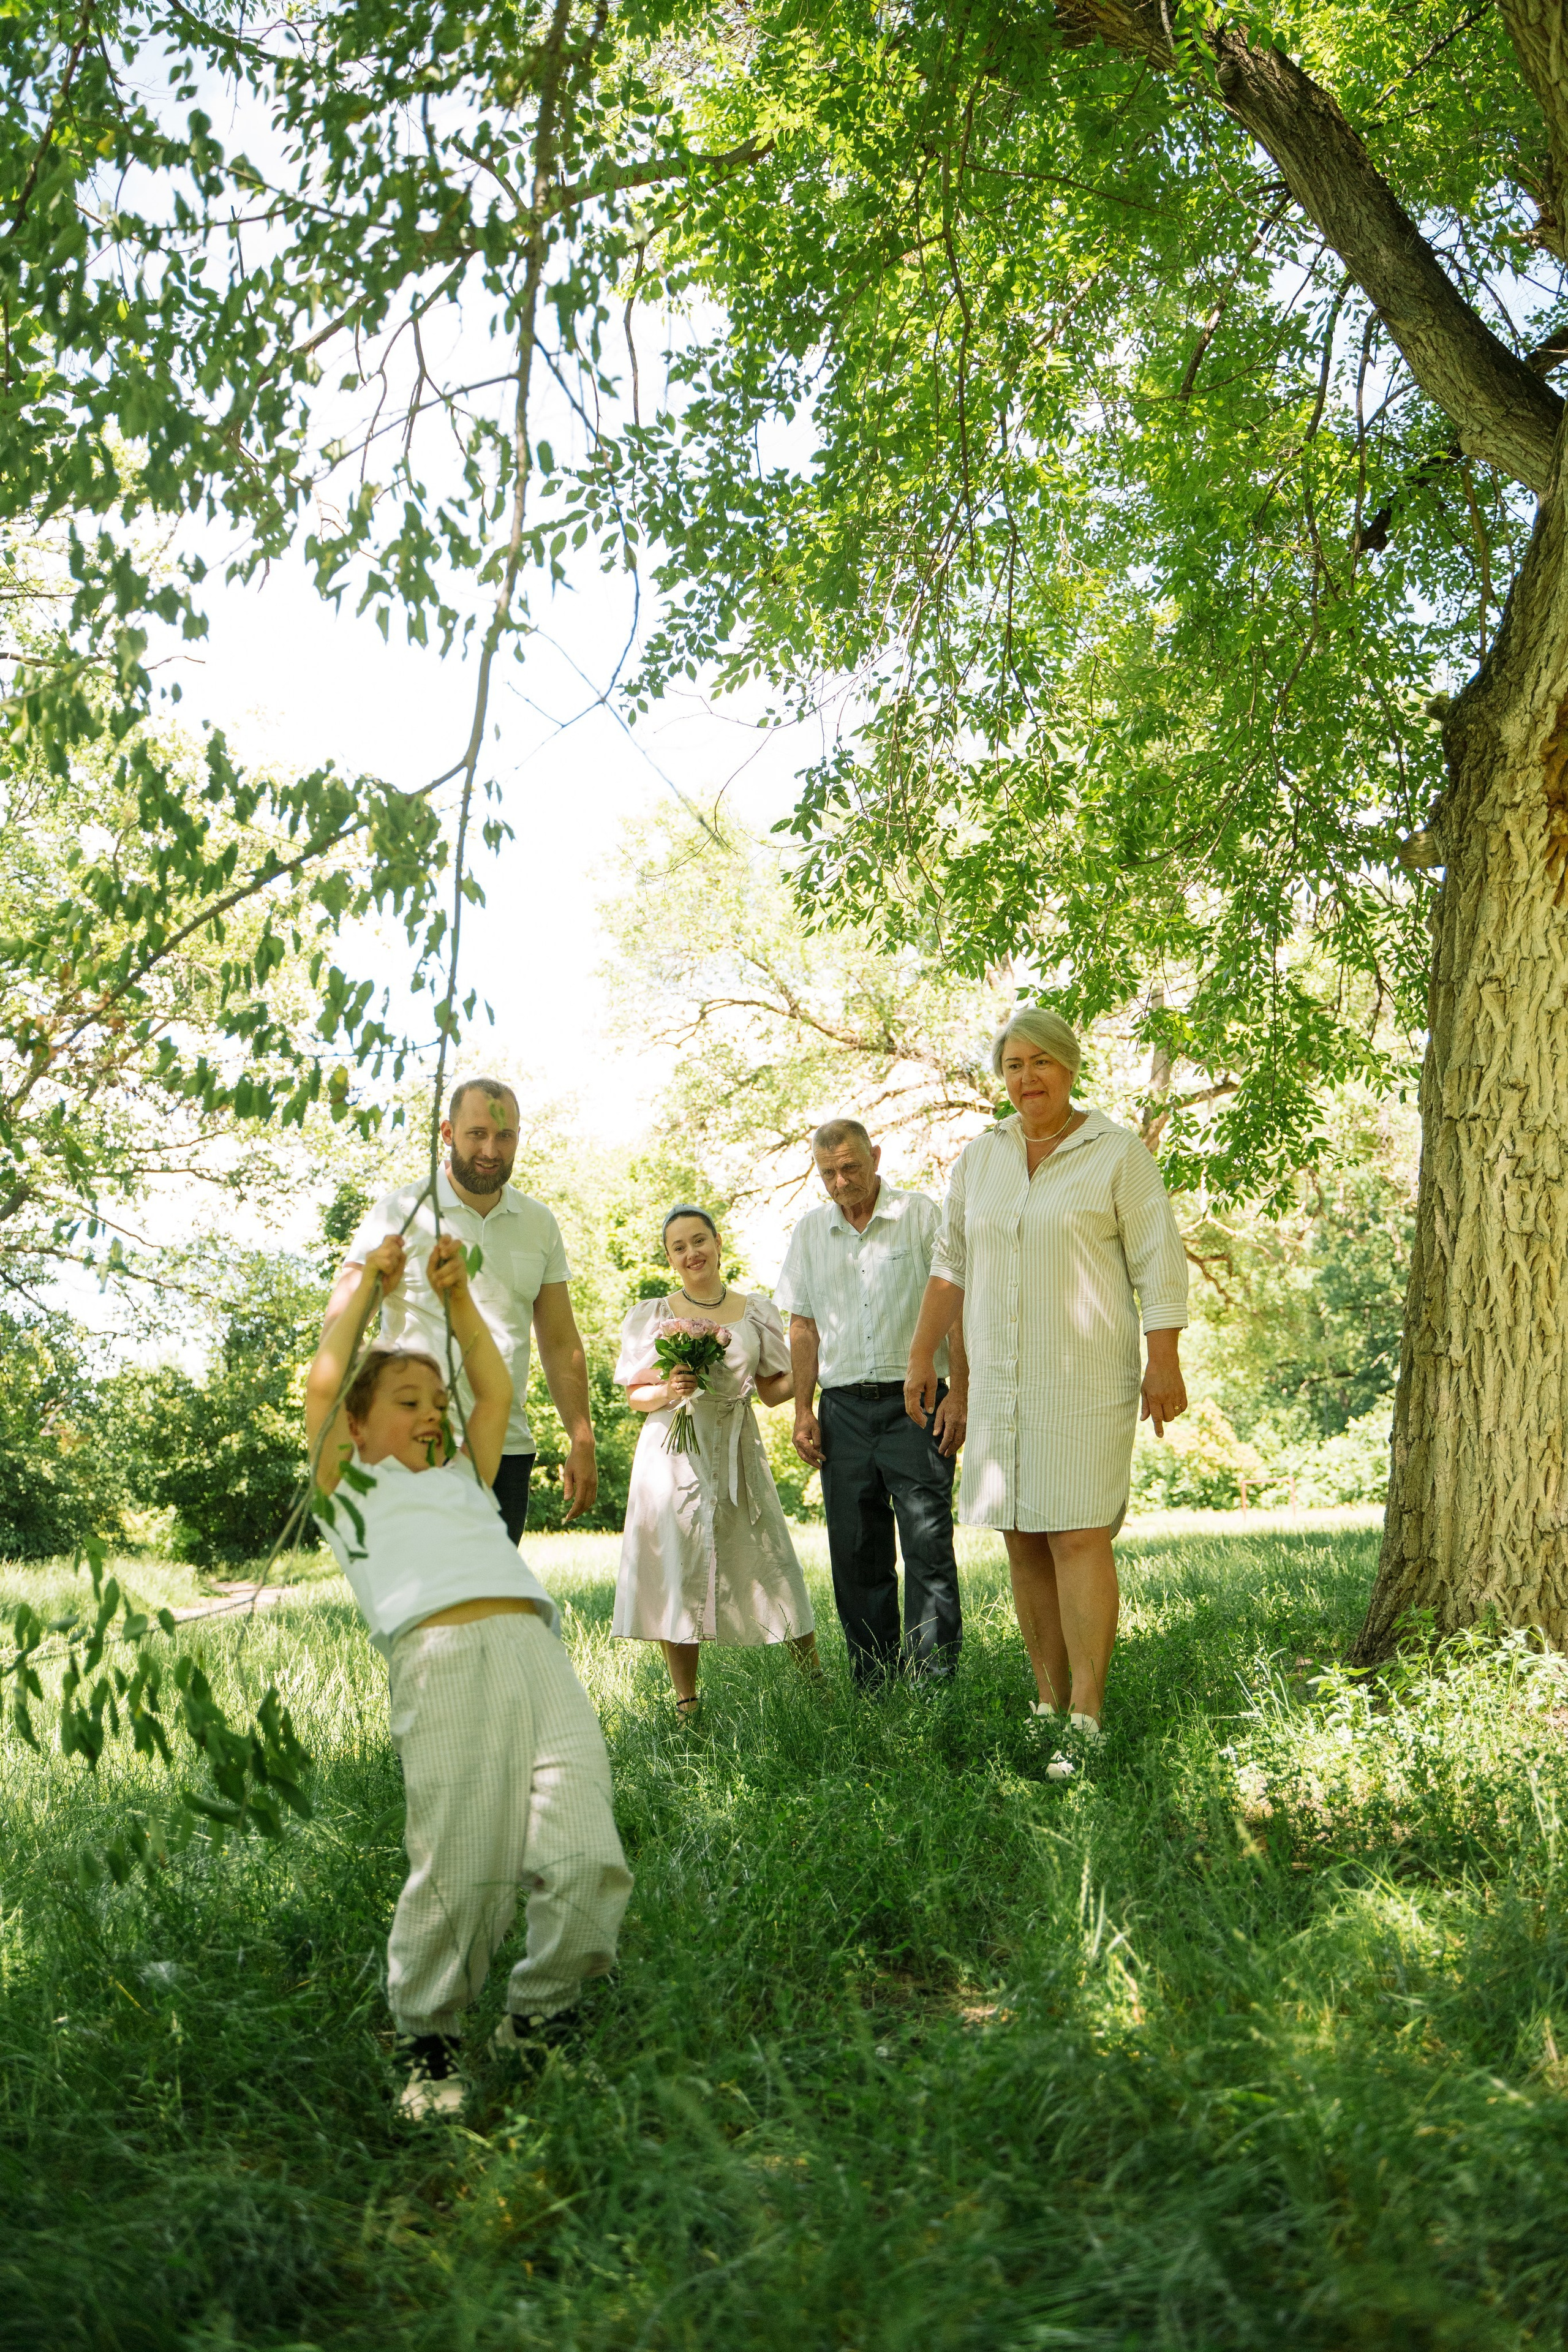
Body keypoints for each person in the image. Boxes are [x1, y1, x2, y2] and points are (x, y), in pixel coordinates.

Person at [306, 1230, 632, 2121]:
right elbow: (323, 1386)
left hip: (536, 1658)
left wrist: (458, 1299)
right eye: (407, 1400)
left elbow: (495, 1389)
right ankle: (430, 2041)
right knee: (461, 1864)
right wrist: (368, 1292)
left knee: (587, 1855)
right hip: (441, 1668)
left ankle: (539, 2017)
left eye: (434, 1402)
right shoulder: (353, 1496)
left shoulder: (468, 1480)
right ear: (363, 1427)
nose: (430, 1414)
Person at [903, 1008, 1188, 1776]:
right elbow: (949, 1264)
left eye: (1039, 1064)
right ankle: (1046, 1706)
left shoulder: (1116, 1152)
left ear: (1069, 1067)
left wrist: (1162, 1357)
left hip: (1084, 1373)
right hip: (998, 1377)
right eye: (1013, 1066)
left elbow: (1157, 1261)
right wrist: (922, 1355)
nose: (1025, 1079)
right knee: (1021, 1537)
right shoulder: (981, 1159)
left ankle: (1088, 1720)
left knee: (1076, 1532)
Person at [326, 1075, 597, 1542]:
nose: (491, 1149)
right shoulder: (400, 1213)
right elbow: (340, 1327)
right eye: (477, 1134)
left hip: (505, 1449)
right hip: (411, 1443)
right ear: (448, 1134)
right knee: (421, 1604)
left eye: (504, 1136)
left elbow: (558, 1340)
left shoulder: (539, 1223)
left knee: (491, 1605)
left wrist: (581, 1435)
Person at [777, 1118, 968, 1688]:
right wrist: (803, 1411)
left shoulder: (921, 1216)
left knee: (927, 1546)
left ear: (875, 1156)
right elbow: (803, 1327)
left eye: (851, 1167)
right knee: (857, 1555)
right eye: (828, 1172)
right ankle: (875, 1684)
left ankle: (933, 1684)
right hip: (843, 1414)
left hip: (918, 1406)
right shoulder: (810, 1232)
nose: (840, 1181)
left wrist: (959, 1393)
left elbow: (955, 1308)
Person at [612, 1205, 818, 1714]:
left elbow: (772, 1391)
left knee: (771, 1556)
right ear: (669, 1258)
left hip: (736, 1444)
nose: (691, 1253)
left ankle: (815, 1683)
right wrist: (667, 1388)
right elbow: (634, 1395)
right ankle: (687, 1702)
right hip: (673, 1452)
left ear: (719, 1243)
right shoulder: (657, 1314)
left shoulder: (754, 1311)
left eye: (699, 1240)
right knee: (677, 1566)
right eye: (679, 1247)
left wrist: (817, 1361)